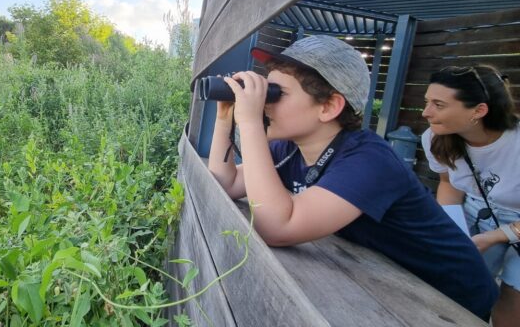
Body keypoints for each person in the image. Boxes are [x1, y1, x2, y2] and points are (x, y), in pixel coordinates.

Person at [208, 35, 497, 319]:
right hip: (383, 279)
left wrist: (249, 122)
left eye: (275, 93)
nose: (264, 103)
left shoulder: (369, 160)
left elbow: (277, 228)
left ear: (329, 107)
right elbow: (226, 183)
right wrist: (225, 119)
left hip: (448, 295)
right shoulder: (289, 148)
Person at [421, 65, 520, 327]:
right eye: (427, 102)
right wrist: (452, 230)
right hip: (476, 211)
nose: (425, 112)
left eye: (438, 104)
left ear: (479, 110)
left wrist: (496, 236)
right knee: (459, 286)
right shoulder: (434, 138)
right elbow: (449, 183)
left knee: (513, 299)